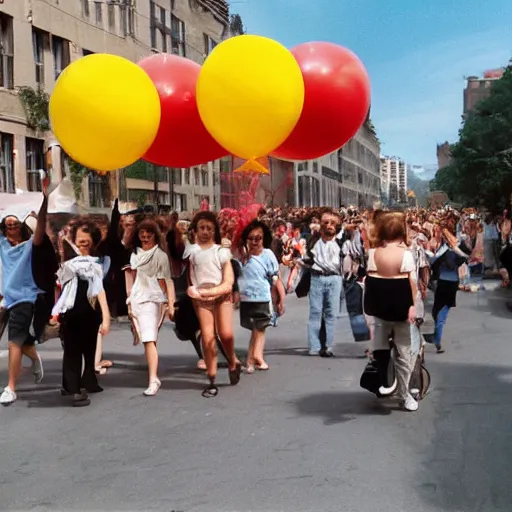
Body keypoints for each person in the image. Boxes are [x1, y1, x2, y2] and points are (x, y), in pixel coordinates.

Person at [0, 180, 49, 406]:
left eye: (14, 225)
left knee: (13, 341)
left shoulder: (29, 245)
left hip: (25, 297)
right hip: (5, 298)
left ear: (21, 227)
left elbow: (40, 231)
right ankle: (34, 357)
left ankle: (10, 387)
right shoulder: (1, 244)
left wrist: (44, 200)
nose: (11, 228)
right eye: (7, 225)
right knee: (21, 339)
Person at [364, 211, 419, 412]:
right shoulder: (405, 254)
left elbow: (370, 282)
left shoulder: (373, 253)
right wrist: (413, 306)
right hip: (401, 311)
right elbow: (411, 283)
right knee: (405, 354)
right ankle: (404, 393)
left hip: (380, 311)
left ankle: (387, 384)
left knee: (380, 350)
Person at [53, 219, 111, 407]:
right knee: (72, 350)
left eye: (87, 240)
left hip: (90, 311)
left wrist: (106, 315)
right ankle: (74, 389)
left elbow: (99, 289)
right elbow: (60, 286)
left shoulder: (96, 263)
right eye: (80, 239)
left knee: (89, 348)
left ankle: (89, 381)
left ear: (93, 241)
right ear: (74, 239)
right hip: (71, 310)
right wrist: (56, 311)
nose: (83, 243)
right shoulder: (68, 259)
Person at [187, 211, 241, 398]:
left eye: (209, 228)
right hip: (202, 299)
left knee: (225, 334)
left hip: (221, 296)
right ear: (195, 230)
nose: (205, 232)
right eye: (201, 228)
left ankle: (233, 362)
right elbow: (190, 277)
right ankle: (212, 378)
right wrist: (196, 293)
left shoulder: (221, 252)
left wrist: (213, 292)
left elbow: (228, 282)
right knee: (208, 338)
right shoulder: (192, 253)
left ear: (214, 231)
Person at [125, 218, 175, 396]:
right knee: (149, 339)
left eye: (149, 234)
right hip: (137, 299)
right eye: (142, 234)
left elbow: (167, 280)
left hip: (153, 301)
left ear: (155, 235)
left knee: (148, 339)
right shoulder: (134, 254)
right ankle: (153, 374)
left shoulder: (160, 256)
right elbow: (130, 276)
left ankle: (153, 379)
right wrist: (129, 299)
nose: (145, 237)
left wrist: (171, 304)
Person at [238, 220, 285, 373]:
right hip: (246, 299)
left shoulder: (268, 255)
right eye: (250, 238)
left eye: (258, 238)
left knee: (260, 327)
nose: (254, 242)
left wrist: (280, 299)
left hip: (263, 298)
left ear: (264, 239)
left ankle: (255, 357)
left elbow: (276, 279)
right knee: (255, 328)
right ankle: (254, 358)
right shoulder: (242, 257)